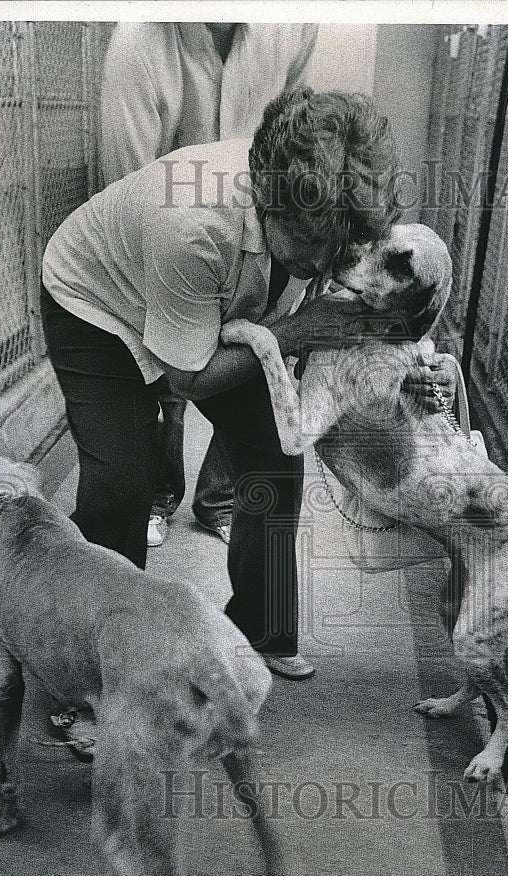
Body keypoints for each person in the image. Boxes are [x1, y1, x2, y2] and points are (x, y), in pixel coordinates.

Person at [41, 87, 401, 681]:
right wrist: (297, 331)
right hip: (95, 302)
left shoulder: (317, 212)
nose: (327, 264)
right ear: (268, 204)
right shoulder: (194, 224)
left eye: (342, 248)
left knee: (275, 456)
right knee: (120, 486)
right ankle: (92, 677)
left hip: (210, 300)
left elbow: (296, 294)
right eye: (315, 248)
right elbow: (188, 378)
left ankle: (260, 626)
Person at [100, 22, 319, 547]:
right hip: (171, 223)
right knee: (167, 362)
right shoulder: (139, 40)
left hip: (259, 218)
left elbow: (298, 134)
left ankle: (219, 500)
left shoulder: (293, 26)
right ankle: (155, 495)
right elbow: (127, 176)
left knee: (256, 355)